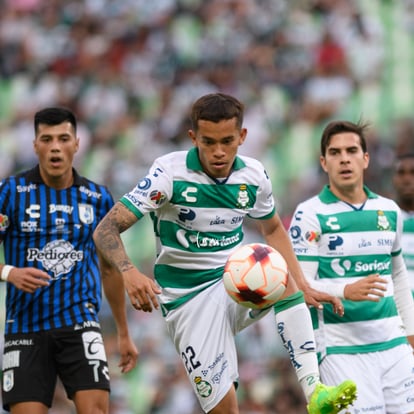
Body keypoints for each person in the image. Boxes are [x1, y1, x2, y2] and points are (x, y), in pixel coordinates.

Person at [93, 92, 357, 414]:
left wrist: (303, 285)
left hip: (231, 281)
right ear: (193, 138)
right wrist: (130, 271)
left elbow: (272, 229)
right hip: (186, 300)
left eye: (227, 141)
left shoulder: (253, 175)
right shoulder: (169, 173)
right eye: (209, 142)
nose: (219, 152)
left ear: (242, 136)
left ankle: (315, 392)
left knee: (279, 273)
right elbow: (105, 229)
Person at [0, 107, 138, 414]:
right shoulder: (9, 193)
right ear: (35, 145)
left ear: (77, 144)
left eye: (63, 138)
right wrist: (8, 272)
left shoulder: (98, 198)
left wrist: (124, 333)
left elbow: (109, 268)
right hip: (25, 328)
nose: (55, 147)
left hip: (80, 325)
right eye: (46, 139)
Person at [288, 120, 414, 413]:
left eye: (352, 150)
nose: (344, 158)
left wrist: (410, 333)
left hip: (394, 345)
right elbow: (300, 285)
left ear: (365, 158)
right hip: (341, 349)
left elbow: (398, 275)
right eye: (335, 152)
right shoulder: (309, 214)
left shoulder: (389, 210)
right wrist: (345, 289)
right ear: (323, 162)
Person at [393, 153, 414, 296]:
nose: (407, 179)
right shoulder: (383, 220)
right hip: (396, 313)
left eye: (413, 173)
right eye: (401, 173)